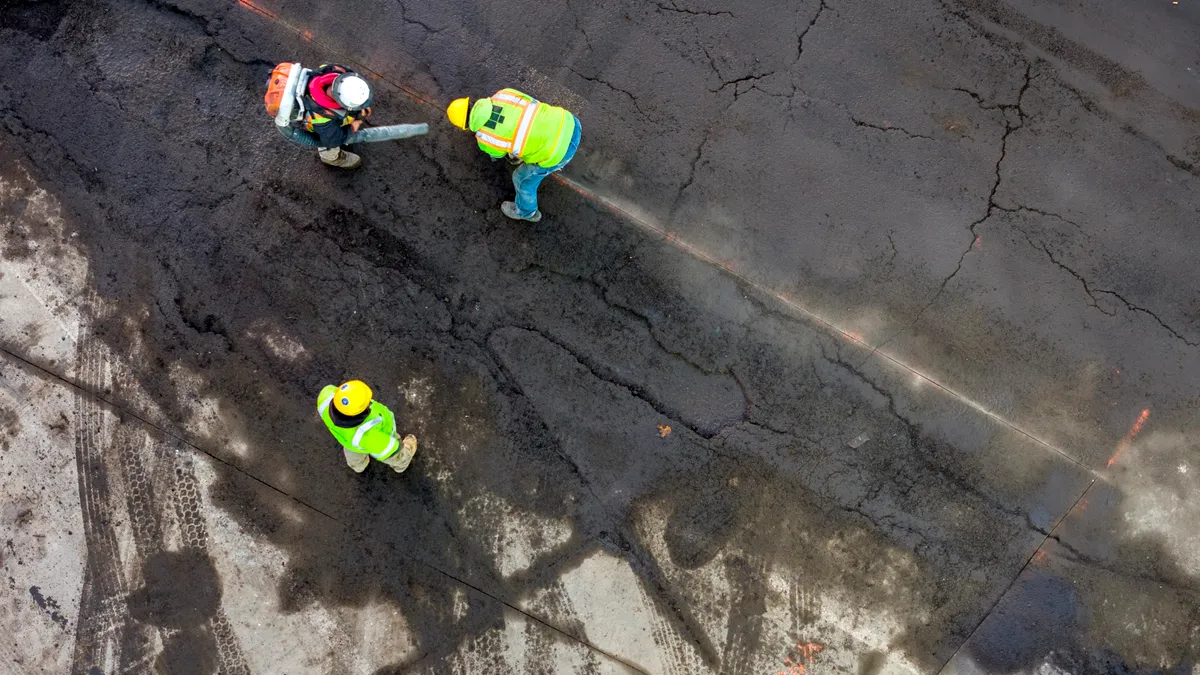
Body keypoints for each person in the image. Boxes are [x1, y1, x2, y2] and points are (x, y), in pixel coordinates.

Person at [446, 89, 581, 222]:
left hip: (560, 153)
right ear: (471, 102)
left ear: (465, 125)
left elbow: (499, 154)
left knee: (521, 180)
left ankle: (526, 213)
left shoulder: (485, 139)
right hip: (569, 122)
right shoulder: (503, 94)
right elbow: (531, 104)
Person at [316, 380, 417, 473]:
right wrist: (400, 449)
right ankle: (401, 467)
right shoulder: (367, 435)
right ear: (358, 413)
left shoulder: (325, 396)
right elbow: (390, 450)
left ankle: (359, 466)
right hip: (378, 437)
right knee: (398, 457)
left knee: (354, 455)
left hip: (348, 442)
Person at [303, 64, 374, 169]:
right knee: (330, 143)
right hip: (321, 128)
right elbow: (334, 140)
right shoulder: (322, 119)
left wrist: (361, 105)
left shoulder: (332, 71)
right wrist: (354, 125)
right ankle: (330, 158)